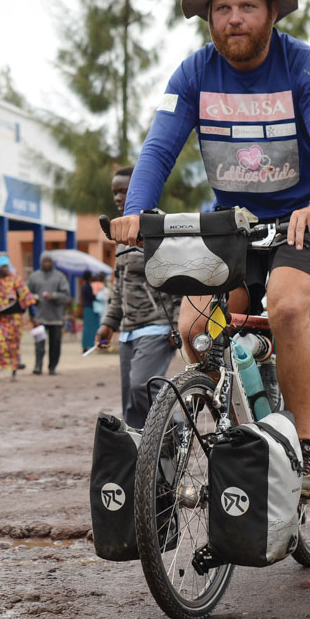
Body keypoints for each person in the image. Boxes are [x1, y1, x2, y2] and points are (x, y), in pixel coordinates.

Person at [108, 0, 310, 497]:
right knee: (195, 328)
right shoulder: (194, 74)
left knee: (288, 308)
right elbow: (160, 146)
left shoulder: (305, 68)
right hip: (234, 228)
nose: (234, 18)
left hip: (301, 224)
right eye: (223, 9)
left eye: (247, 6)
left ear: (270, 13)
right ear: (209, 18)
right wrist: (139, 209)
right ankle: (243, 428)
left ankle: (307, 451)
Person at [96, 166, 180, 429]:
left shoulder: (161, 228)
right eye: (115, 193)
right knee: (131, 404)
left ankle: (178, 430)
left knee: (142, 387)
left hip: (158, 324)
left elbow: (178, 279)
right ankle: (144, 463)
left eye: (124, 191)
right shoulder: (121, 235)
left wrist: (177, 323)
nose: (119, 198)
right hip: (129, 330)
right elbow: (119, 286)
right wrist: (108, 323)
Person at [0, 257, 36, 381]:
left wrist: (33, 312)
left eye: (7, 266)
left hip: (15, 319)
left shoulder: (16, 280)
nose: (6, 269)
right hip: (1, 319)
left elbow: (26, 296)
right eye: (3, 267)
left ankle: (14, 373)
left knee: (13, 346)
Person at [26, 254, 72, 376]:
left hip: (56, 318)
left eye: (49, 261)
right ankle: (38, 366)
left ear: (52, 262)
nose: (46, 264)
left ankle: (52, 367)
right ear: (41, 262)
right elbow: (26, 295)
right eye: (44, 261)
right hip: (39, 317)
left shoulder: (60, 277)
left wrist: (54, 296)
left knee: (55, 344)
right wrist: (33, 300)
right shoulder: (34, 277)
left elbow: (67, 296)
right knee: (39, 343)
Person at [79, 271, 98, 352]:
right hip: (90, 308)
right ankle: (89, 344)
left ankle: (85, 345)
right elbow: (92, 297)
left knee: (86, 327)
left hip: (86, 308)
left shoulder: (83, 286)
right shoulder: (88, 286)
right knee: (91, 327)